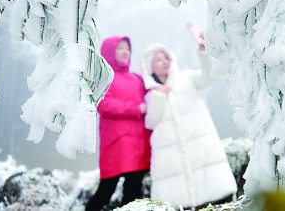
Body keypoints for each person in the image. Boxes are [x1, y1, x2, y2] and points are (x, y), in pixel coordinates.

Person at [142, 42, 238, 210]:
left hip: (199, 146)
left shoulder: (186, 77)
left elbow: (208, 77)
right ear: (150, 67)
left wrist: (203, 54)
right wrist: (159, 96)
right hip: (171, 156)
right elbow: (150, 122)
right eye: (158, 60)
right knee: (179, 200)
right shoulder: (151, 94)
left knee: (213, 194)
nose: (164, 61)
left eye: (166, 57)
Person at [86, 36, 151, 211]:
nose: (125, 52)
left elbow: (154, 96)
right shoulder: (104, 79)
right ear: (109, 52)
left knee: (134, 191)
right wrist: (136, 109)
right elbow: (103, 104)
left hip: (138, 143)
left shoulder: (137, 79)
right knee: (107, 188)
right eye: (120, 48)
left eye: (127, 48)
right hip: (117, 142)